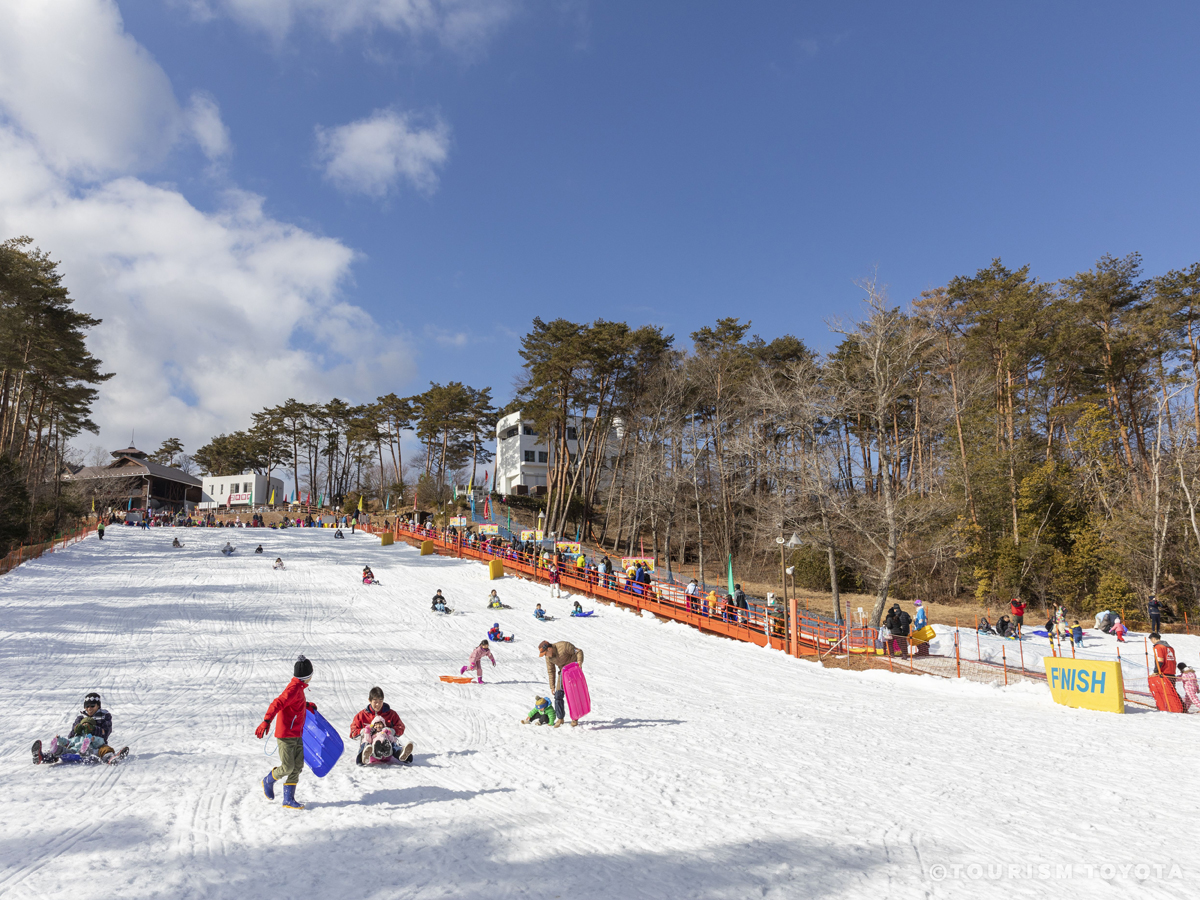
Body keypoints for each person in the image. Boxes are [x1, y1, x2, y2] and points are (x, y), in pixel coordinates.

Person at [256, 655, 317, 810]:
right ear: (308, 676)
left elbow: (295, 705)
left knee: (297, 766)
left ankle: (288, 799)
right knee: (288, 767)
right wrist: (267, 720)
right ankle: (268, 780)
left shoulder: (299, 688)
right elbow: (278, 703)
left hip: (296, 734)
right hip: (285, 735)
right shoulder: (293, 689)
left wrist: (307, 705)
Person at [32, 692, 127, 765]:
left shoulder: (105, 716)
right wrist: (77, 730)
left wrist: (92, 729)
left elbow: (105, 733)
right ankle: (42, 757)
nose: (89, 709)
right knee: (60, 749)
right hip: (77, 744)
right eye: (87, 706)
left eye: (92, 706)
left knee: (105, 749)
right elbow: (72, 735)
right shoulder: (80, 718)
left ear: (98, 705)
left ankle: (111, 758)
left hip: (96, 744)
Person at [348, 686, 412, 765]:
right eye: (375, 701)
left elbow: (400, 727)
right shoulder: (362, 715)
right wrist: (363, 731)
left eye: (380, 701)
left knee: (393, 744)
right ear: (370, 700)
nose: (378, 704)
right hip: (371, 746)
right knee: (366, 744)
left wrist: (392, 731)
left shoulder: (391, 714)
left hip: (387, 746)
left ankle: (402, 754)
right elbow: (352, 732)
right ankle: (363, 757)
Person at [539, 640, 584, 726]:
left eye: (545, 653)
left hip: (573, 670)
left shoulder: (564, 646)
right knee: (558, 695)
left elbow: (579, 651)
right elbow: (551, 671)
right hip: (563, 672)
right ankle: (560, 718)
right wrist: (552, 686)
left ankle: (575, 718)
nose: (545, 656)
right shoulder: (548, 657)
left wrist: (579, 662)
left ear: (549, 649)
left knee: (572, 695)